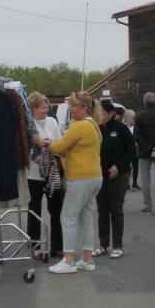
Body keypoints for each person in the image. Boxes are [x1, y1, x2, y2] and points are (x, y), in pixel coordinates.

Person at [47, 91, 103, 274]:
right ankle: (87, 258)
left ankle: (69, 260)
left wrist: (42, 140)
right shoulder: (93, 124)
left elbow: (58, 146)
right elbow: (74, 149)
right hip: (94, 176)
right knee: (86, 218)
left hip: (80, 177)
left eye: (74, 106)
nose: (71, 109)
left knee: (68, 217)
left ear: (84, 108)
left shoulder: (80, 126)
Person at [27, 91, 64, 260]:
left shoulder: (52, 122)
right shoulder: (27, 125)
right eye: (43, 107)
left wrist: (49, 150)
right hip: (33, 175)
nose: (46, 110)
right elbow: (25, 149)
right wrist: (36, 156)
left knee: (56, 210)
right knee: (34, 210)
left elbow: (59, 143)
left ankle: (57, 247)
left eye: (47, 107)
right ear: (33, 108)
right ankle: (34, 247)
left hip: (52, 173)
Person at [96, 100, 134, 258]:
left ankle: (117, 245)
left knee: (116, 209)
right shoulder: (97, 128)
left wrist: (118, 166)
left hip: (120, 174)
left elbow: (131, 151)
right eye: (99, 113)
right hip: (100, 174)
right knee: (102, 210)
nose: (100, 116)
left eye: (103, 113)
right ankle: (103, 244)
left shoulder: (121, 128)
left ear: (111, 114)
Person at [123, 109, 140, 191]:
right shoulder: (123, 127)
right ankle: (126, 184)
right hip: (126, 150)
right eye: (133, 117)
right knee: (127, 168)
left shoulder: (135, 127)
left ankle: (135, 183)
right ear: (128, 117)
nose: (134, 119)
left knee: (136, 167)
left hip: (135, 150)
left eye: (135, 117)